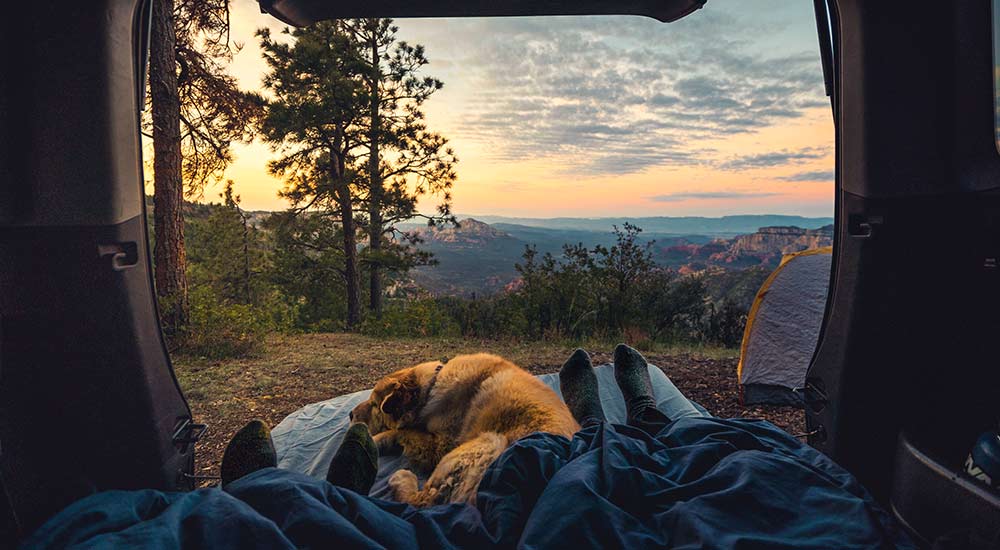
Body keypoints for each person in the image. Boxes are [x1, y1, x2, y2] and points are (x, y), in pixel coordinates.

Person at [23, 345, 914, 548]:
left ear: (406, 392)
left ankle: (338, 480)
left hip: (503, 471)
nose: (392, 418)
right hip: (542, 464)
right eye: (383, 423)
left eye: (386, 413)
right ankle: (632, 417)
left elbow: (435, 438)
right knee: (680, 447)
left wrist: (398, 435)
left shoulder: (434, 403)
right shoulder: (466, 384)